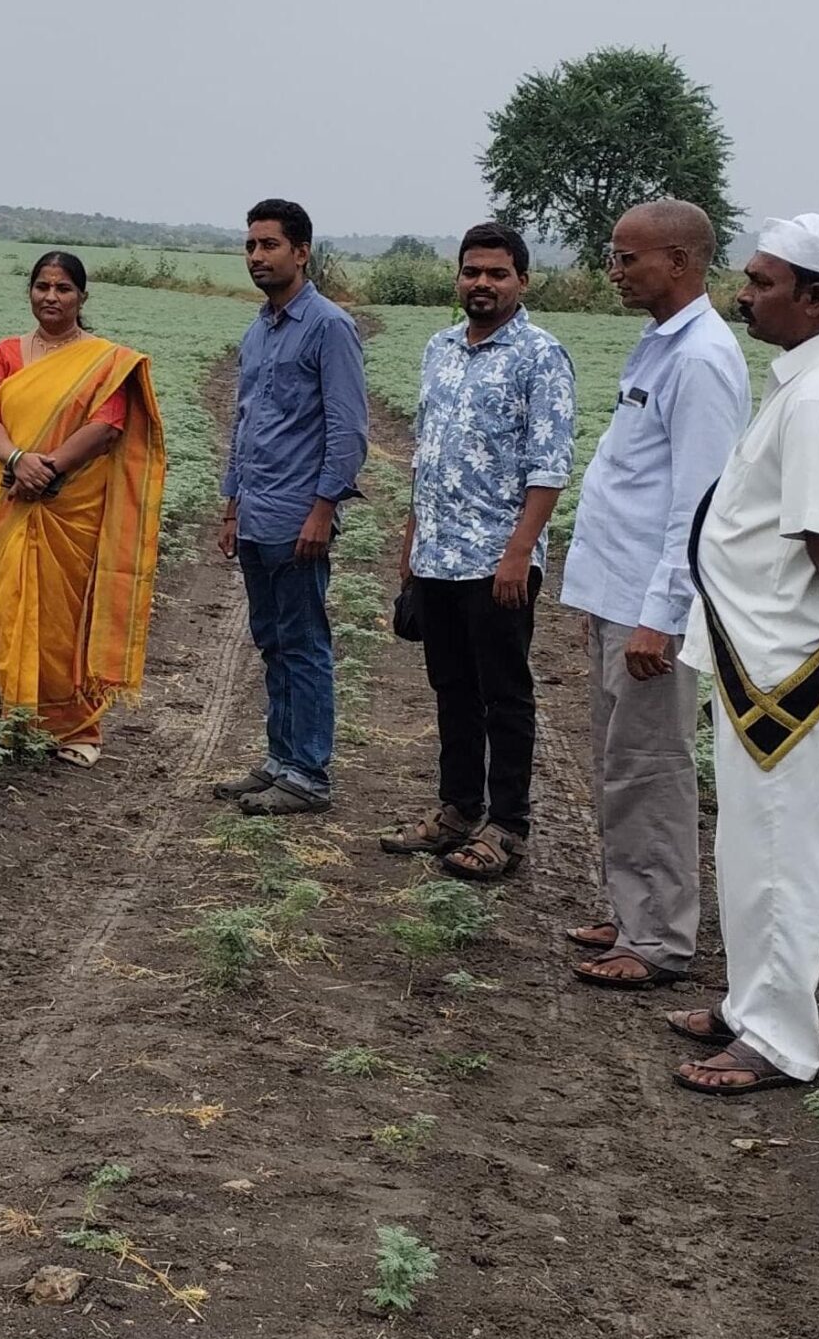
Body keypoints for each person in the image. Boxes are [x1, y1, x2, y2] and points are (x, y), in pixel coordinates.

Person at [668, 216, 819, 1094]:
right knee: (753, 845)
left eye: (761, 282)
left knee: (780, 854)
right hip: (763, 650)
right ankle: (747, 1004)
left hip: (791, 666)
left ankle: (777, 1040)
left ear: (814, 296)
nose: (743, 293)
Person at [557, 200, 749, 989]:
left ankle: (660, 939)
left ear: (679, 261)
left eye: (628, 257)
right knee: (617, 762)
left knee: (650, 768)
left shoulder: (702, 358)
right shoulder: (662, 346)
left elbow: (698, 508)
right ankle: (631, 910)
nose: (615, 269)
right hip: (619, 596)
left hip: (651, 608)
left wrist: (660, 619)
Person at [383, 223, 575, 877]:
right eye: (473, 272)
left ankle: (507, 826)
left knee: (505, 695)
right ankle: (458, 809)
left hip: (498, 560)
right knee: (451, 689)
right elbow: (425, 456)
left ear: (522, 280)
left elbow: (549, 467)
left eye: (497, 274)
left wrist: (519, 553)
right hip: (436, 555)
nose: (482, 284)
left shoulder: (540, 355)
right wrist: (410, 545)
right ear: (458, 277)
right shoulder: (439, 349)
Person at [0, 253, 168, 766]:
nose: (51, 297)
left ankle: (76, 728)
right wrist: (18, 459)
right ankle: (11, 715)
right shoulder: (7, 353)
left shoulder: (105, 361)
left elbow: (107, 426)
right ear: (30, 292)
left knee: (66, 614)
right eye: (42, 286)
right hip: (13, 497)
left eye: (63, 288)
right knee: (10, 604)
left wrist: (49, 468)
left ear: (82, 296)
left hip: (71, 503)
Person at [212, 199, 368, 815]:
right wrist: (230, 506)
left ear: (301, 253)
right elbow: (244, 422)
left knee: (303, 642)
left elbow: (349, 429)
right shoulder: (259, 328)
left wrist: (323, 509)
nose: (257, 256)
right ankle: (279, 760)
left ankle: (308, 772)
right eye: (250, 245)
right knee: (271, 638)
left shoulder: (329, 326)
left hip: (299, 516)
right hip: (256, 513)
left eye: (269, 245)